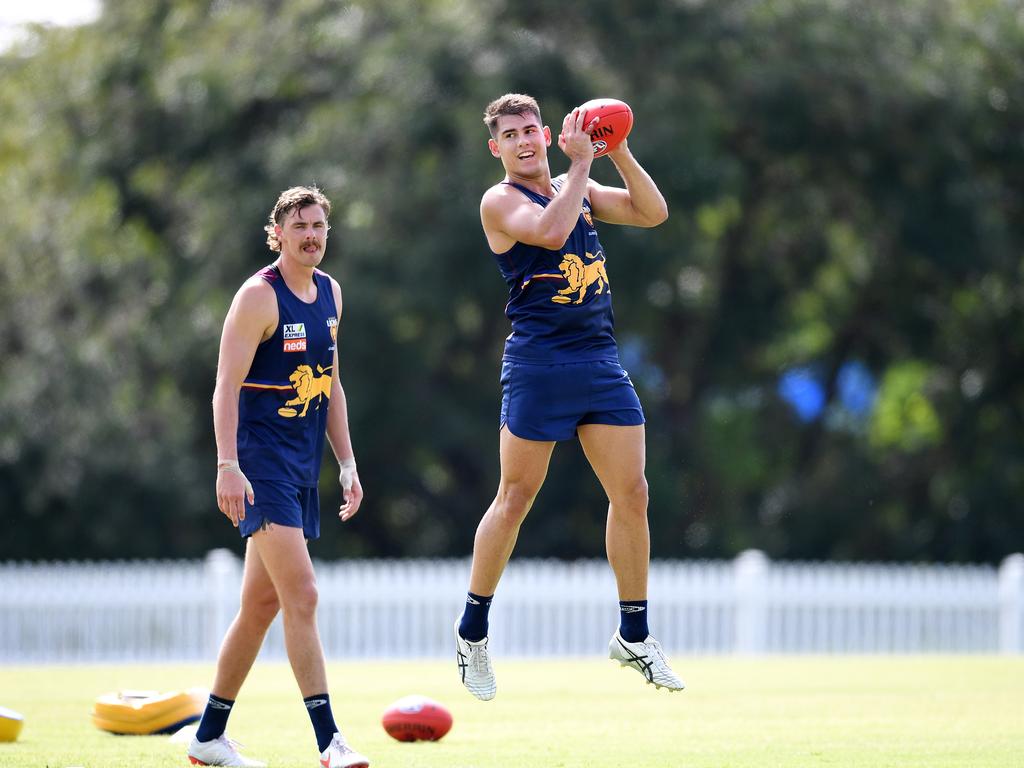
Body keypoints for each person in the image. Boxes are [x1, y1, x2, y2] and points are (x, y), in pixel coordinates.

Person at [454, 94, 685, 701]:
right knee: (515, 496)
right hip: (538, 365)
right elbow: (552, 233)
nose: (524, 141)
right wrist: (582, 168)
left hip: (599, 359)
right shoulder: (500, 201)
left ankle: (633, 633)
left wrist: (619, 149)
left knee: (632, 493)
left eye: (532, 129)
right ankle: (473, 630)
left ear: (548, 132)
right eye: (511, 135)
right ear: (496, 148)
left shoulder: (572, 180)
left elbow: (652, 212)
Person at [187, 186, 370, 768]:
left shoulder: (332, 294)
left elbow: (331, 384)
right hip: (258, 466)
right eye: (300, 227)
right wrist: (226, 465)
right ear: (279, 234)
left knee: (261, 606)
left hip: (300, 467)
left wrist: (346, 463)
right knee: (304, 594)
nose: (312, 235)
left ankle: (208, 737)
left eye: (319, 226)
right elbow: (224, 388)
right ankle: (329, 742)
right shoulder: (257, 298)